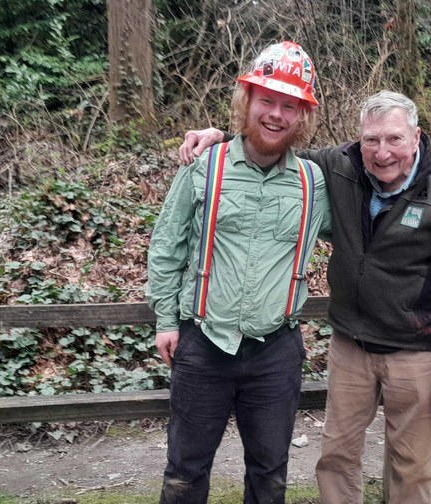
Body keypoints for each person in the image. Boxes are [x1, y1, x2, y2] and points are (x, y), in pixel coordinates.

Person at [180, 90, 431, 504]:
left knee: (411, 465)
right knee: (336, 456)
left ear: (416, 137)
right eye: (371, 140)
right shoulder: (339, 166)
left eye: (393, 139)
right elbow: (272, 142)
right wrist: (222, 136)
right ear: (358, 140)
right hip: (351, 345)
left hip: (415, 352)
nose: (382, 151)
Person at [147, 40, 331, 504]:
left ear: (303, 116)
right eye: (267, 100)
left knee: (269, 475)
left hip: (276, 351)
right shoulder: (203, 166)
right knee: (184, 473)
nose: (276, 114)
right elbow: (168, 246)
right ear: (245, 101)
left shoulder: (315, 182)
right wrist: (167, 321)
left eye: (290, 106)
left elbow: (377, 169)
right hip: (204, 344)